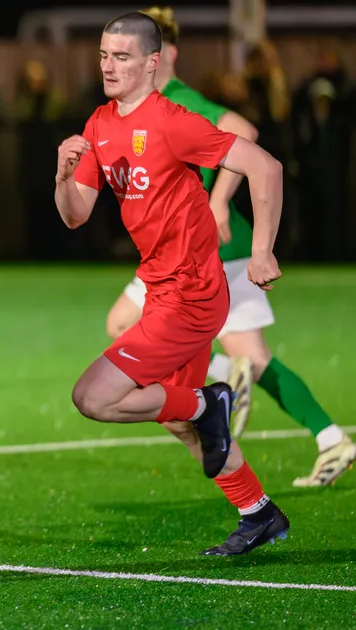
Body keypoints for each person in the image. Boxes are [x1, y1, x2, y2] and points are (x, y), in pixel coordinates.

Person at [55, 12, 288, 555]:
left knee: (93, 396)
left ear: (151, 63)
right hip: (161, 288)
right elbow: (74, 216)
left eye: (123, 57)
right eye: (104, 56)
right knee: (182, 421)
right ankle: (258, 512)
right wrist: (64, 176)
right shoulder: (99, 124)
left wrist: (261, 251)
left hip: (191, 295)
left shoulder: (171, 121)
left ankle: (209, 404)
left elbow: (265, 166)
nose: (109, 66)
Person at [105, 7, 355, 488]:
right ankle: (330, 438)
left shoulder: (175, 100)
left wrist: (218, 200)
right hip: (200, 250)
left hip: (201, 252)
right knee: (255, 358)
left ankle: (223, 381)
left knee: (123, 324)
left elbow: (246, 132)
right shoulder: (141, 105)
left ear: (164, 54)